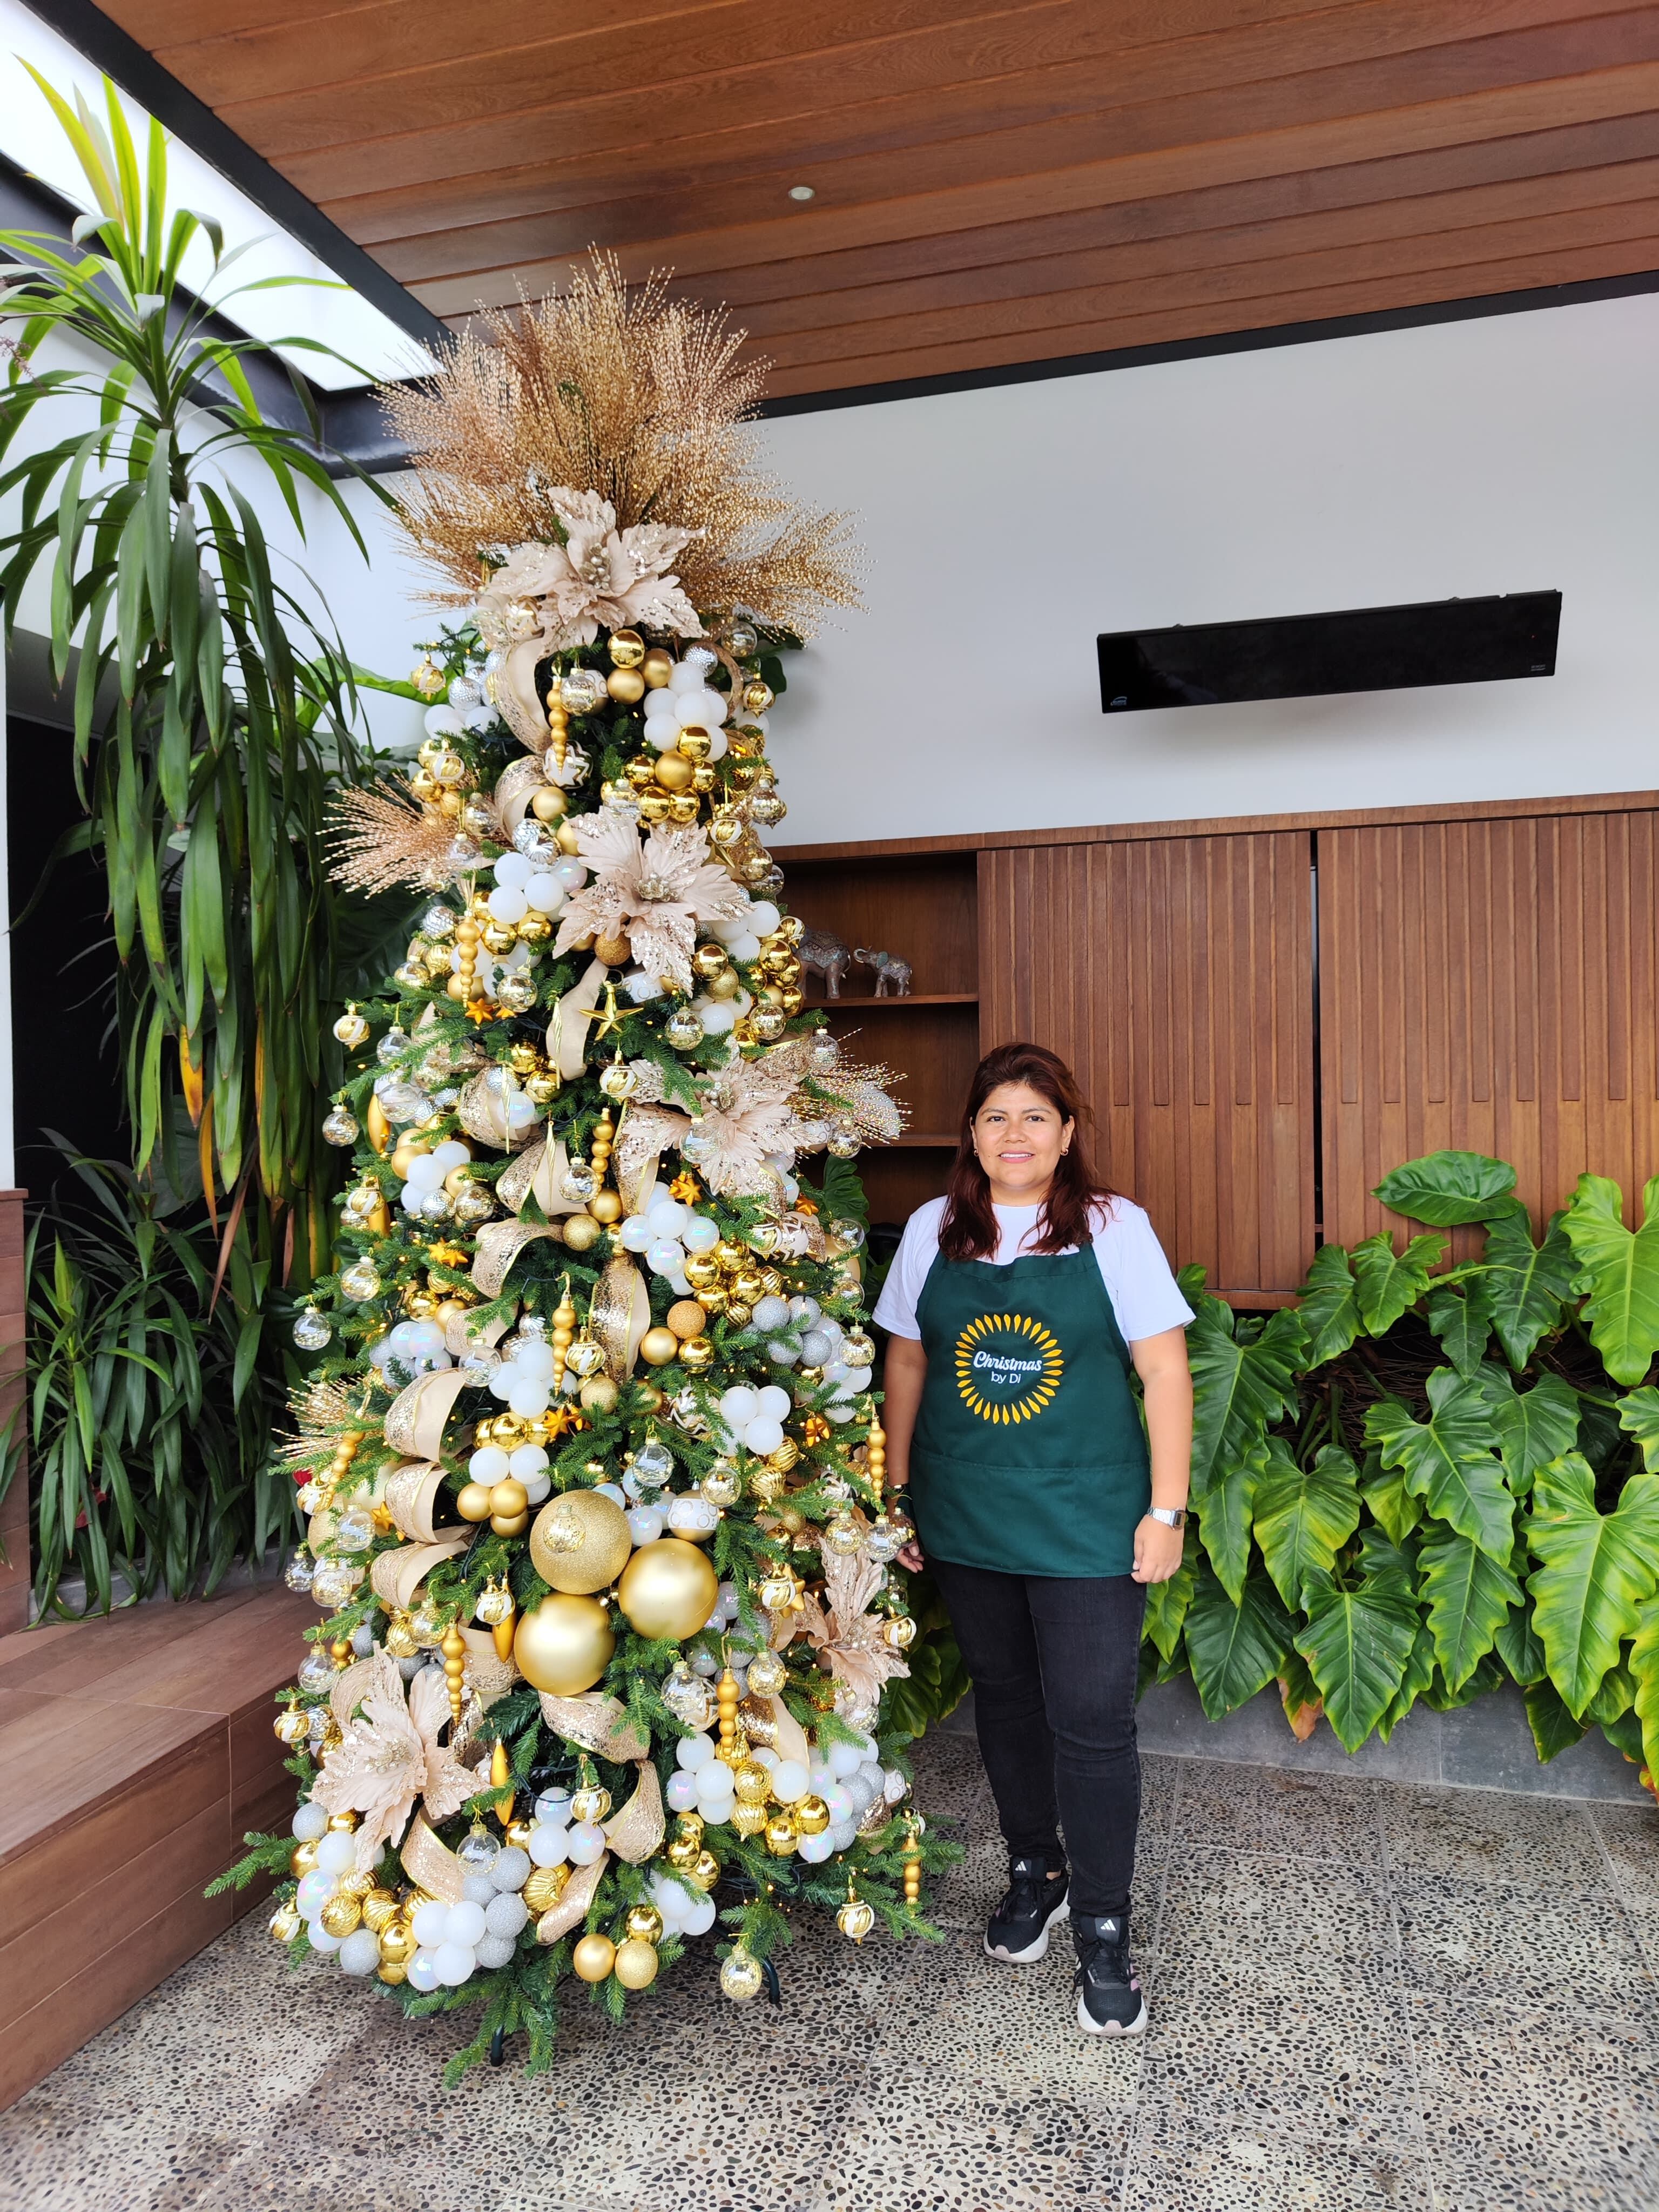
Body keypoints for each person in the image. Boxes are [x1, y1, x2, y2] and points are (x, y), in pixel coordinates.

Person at [873, 1041, 1193, 2036]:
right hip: (970, 1515)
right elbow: (911, 1363)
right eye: (996, 1117)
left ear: (1067, 1133)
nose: (1016, 1136)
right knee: (1005, 1702)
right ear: (971, 1133)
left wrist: (1166, 1511)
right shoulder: (935, 1228)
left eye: (1036, 1117)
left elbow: (1166, 1374)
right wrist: (897, 1494)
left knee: (1094, 1723)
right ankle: (1037, 1872)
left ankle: (1104, 1926)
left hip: (1091, 1515)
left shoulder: (1111, 1228)